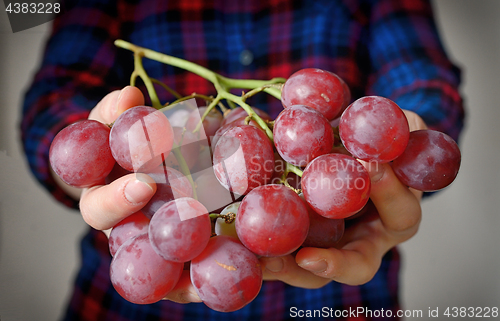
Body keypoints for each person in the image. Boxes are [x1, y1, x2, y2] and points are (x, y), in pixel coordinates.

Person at [21, 0, 464, 320]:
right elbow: (51, 103)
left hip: (339, 290)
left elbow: (426, 82)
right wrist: (92, 170)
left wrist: (409, 130)